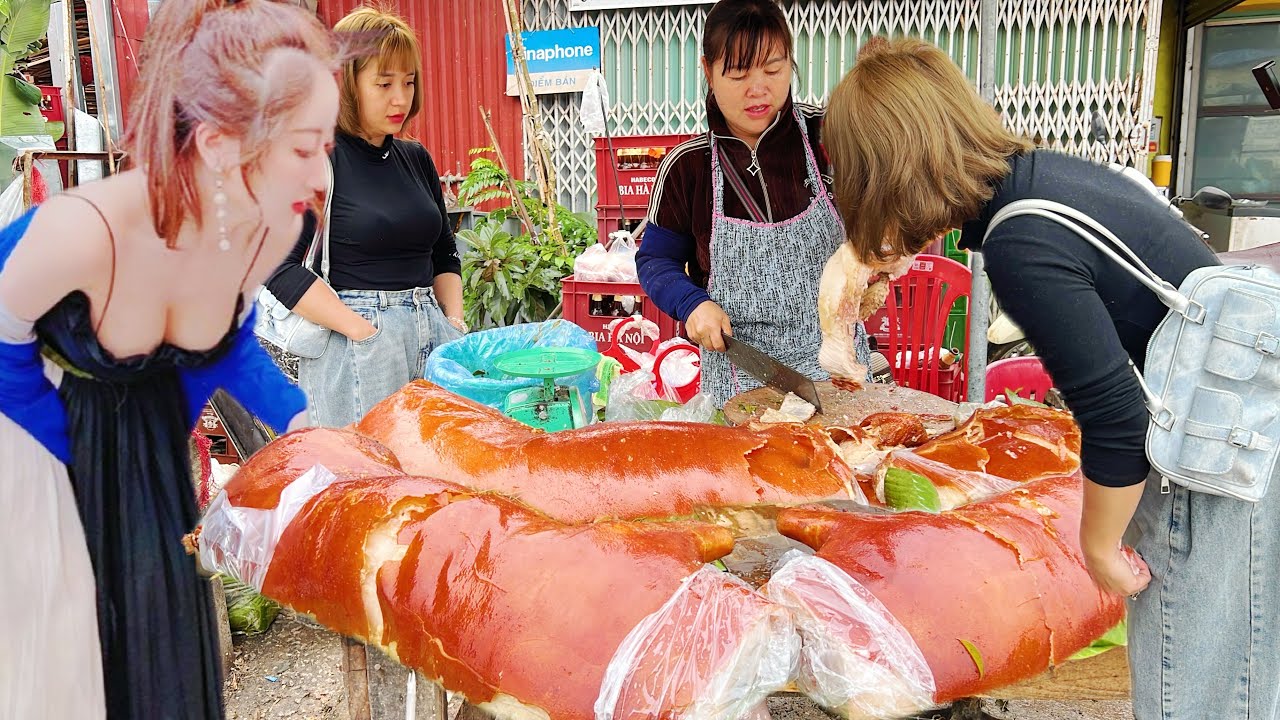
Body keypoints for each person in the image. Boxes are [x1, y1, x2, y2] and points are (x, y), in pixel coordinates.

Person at [824, 37, 1278, 719]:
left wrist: (1098, 547)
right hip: (1245, 441)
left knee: (1199, 698)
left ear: (889, 171)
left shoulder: (1020, 238)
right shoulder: (1043, 178)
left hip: (1213, 479)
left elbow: (1118, 419)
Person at [0, 1, 336, 717]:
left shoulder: (259, 232)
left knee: (165, 656)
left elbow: (224, 347)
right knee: (66, 669)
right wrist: (68, 463)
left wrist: (308, 428)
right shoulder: (78, 234)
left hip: (149, 455)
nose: (318, 177)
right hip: (37, 443)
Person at [635, 0, 871, 406]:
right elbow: (656, 262)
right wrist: (692, 304)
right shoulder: (687, 167)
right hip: (739, 382)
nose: (758, 89)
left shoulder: (831, 138)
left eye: (774, 69)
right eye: (739, 73)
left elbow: (887, 209)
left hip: (840, 372)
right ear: (708, 71)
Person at [264, 6, 463, 429]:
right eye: (384, 83)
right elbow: (278, 268)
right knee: (368, 478)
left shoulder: (415, 157)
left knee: (434, 474)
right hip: (360, 340)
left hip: (432, 329)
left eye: (408, 82)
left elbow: (445, 254)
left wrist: (454, 321)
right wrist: (362, 331)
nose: (400, 98)